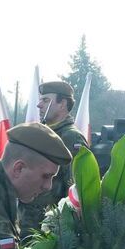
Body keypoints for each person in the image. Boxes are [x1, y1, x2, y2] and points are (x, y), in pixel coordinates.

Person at [18, 80, 89, 235]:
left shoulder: (70, 137)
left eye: (46, 100)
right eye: (40, 100)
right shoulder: (45, 134)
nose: (39, 105)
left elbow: (75, 192)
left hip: (47, 232)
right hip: (29, 225)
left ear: (62, 104)